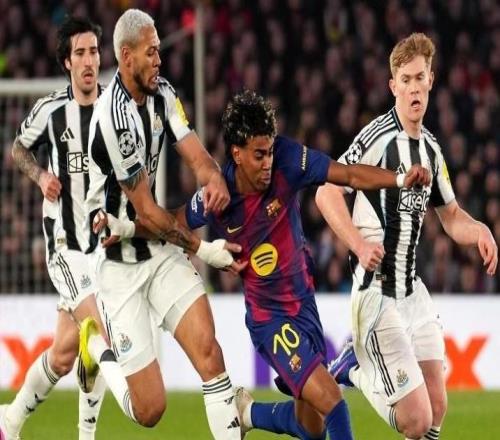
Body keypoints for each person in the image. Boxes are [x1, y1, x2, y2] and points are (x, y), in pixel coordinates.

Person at [102, 90, 430, 439]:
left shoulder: (289, 159)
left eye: (270, 151)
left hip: (304, 306)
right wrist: (127, 228)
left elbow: (348, 175)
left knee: (312, 428)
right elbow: (176, 221)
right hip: (270, 319)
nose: (268, 162)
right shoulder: (221, 194)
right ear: (237, 153)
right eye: (259, 155)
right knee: (334, 403)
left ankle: (247, 412)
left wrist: (398, 180)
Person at [316, 33, 498, 440]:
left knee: (437, 407)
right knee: (416, 421)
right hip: (376, 292)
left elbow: (451, 216)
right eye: (406, 79)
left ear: (431, 80)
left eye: (420, 78)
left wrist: (480, 230)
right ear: (393, 86)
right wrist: (358, 244)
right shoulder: (378, 137)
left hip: (412, 290)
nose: (414, 88)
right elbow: (326, 191)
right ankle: (354, 370)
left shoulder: (431, 149)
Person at [80, 8, 244, 439]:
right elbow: (146, 212)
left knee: (210, 353)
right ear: (126, 56)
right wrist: (205, 250)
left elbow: (195, 154)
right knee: (150, 409)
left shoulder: (163, 95)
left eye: (158, 51)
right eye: (151, 52)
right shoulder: (113, 118)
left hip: (159, 250)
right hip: (119, 264)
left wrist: (213, 179)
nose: (159, 59)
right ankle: (97, 349)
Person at [0, 16, 111, 440]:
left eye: (93, 51)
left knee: (64, 355)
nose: (89, 60)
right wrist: (41, 176)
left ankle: (9, 420)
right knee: (102, 330)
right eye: (80, 53)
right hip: (65, 245)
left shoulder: (114, 109)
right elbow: (18, 149)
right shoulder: (50, 110)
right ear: (67, 62)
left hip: (102, 246)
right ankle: (86, 437)